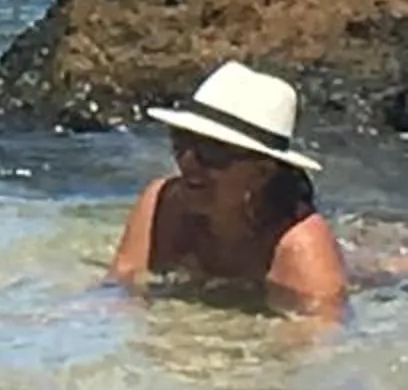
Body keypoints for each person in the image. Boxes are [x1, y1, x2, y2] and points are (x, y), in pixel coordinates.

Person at [106, 60, 348, 319]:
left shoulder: (300, 248)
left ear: (262, 173)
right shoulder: (161, 204)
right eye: (182, 142)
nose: (188, 162)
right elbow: (115, 291)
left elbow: (322, 340)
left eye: (211, 152)